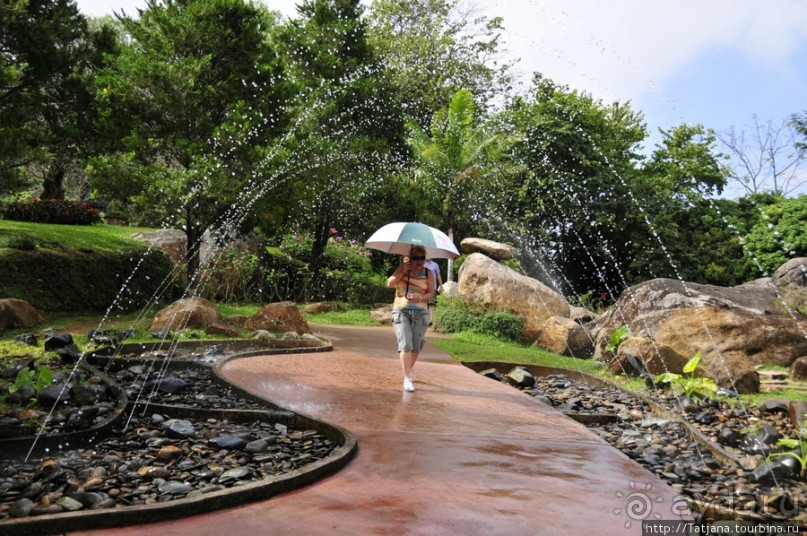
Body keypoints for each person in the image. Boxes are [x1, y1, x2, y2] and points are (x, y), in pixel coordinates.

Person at [387, 245, 435, 392]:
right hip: (402, 311)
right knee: (406, 345)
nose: (419, 261)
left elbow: (431, 293)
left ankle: (409, 368)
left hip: (421, 313)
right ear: (410, 258)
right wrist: (402, 271)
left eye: (422, 258)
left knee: (416, 347)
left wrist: (420, 297)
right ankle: (407, 378)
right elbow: (390, 283)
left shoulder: (428, 273)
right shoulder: (403, 268)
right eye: (416, 258)